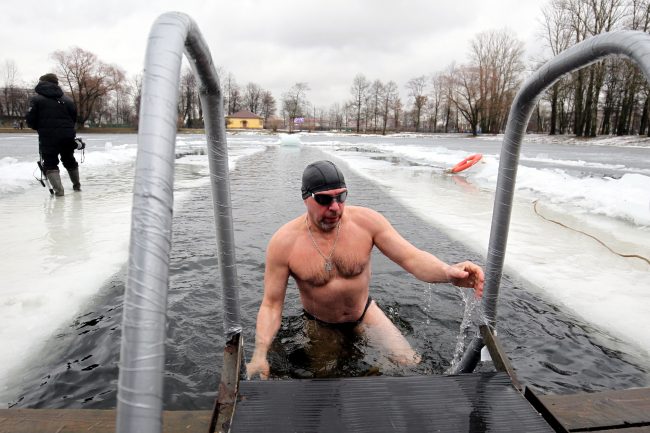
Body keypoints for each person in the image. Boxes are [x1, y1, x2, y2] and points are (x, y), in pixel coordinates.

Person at [246, 160, 485, 379]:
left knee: (409, 364)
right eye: (324, 200)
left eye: (341, 197)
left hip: (365, 312)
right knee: (326, 378)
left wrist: (448, 272)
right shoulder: (284, 243)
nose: (335, 207)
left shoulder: (367, 222)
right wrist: (260, 352)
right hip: (320, 323)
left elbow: (412, 258)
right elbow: (271, 304)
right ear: (305, 197)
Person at [25, 73, 81, 196]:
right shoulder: (68, 100)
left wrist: (38, 127)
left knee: (50, 163)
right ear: (56, 84)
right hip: (67, 135)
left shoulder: (36, 99)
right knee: (69, 159)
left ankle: (59, 192)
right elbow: (73, 118)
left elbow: (30, 119)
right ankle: (77, 186)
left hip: (48, 136)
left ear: (41, 83)